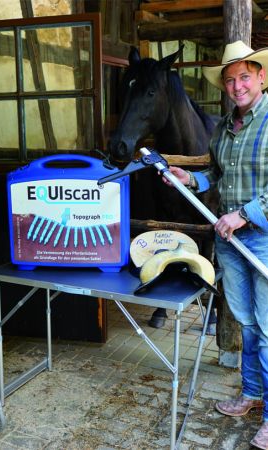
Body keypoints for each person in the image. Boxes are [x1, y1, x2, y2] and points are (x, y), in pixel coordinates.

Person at [162, 40, 268, 449]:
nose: (237, 86)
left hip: (263, 240)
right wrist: (189, 178)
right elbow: (219, 175)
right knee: (247, 323)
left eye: (244, 77)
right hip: (230, 241)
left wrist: (245, 214)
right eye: (230, 80)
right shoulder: (223, 128)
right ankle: (252, 393)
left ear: (261, 77)